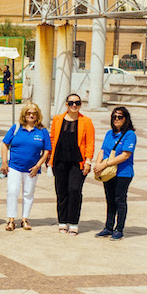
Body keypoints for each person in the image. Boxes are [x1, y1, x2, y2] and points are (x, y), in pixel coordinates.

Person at [0, 102, 51, 232]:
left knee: (28, 193)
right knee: (12, 191)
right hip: (14, 166)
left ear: (37, 115)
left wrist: (38, 166)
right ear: (24, 114)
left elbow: (46, 151)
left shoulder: (42, 131)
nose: (31, 115)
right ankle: (11, 219)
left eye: (34, 113)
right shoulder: (16, 128)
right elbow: (5, 144)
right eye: (28, 112)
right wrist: (5, 162)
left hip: (32, 169)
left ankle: (24, 219)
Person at [49, 93, 95, 235]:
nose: (74, 105)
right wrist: (49, 157)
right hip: (59, 161)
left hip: (77, 162)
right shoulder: (57, 119)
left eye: (77, 103)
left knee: (74, 190)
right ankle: (62, 221)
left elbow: (90, 143)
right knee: (61, 191)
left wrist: (88, 160)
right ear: (66, 104)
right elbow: (52, 138)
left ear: (80, 104)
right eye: (71, 103)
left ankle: (74, 222)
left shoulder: (86, 121)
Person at [94, 106, 137, 241]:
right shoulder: (109, 133)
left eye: (120, 117)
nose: (116, 119)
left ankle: (119, 229)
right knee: (110, 199)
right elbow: (102, 150)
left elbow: (125, 155)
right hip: (108, 173)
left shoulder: (130, 134)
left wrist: (104, 164)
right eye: (114, 117)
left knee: (119, 200)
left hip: (122, 172)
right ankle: (108, 227)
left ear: (126, 119)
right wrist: (97, 164)